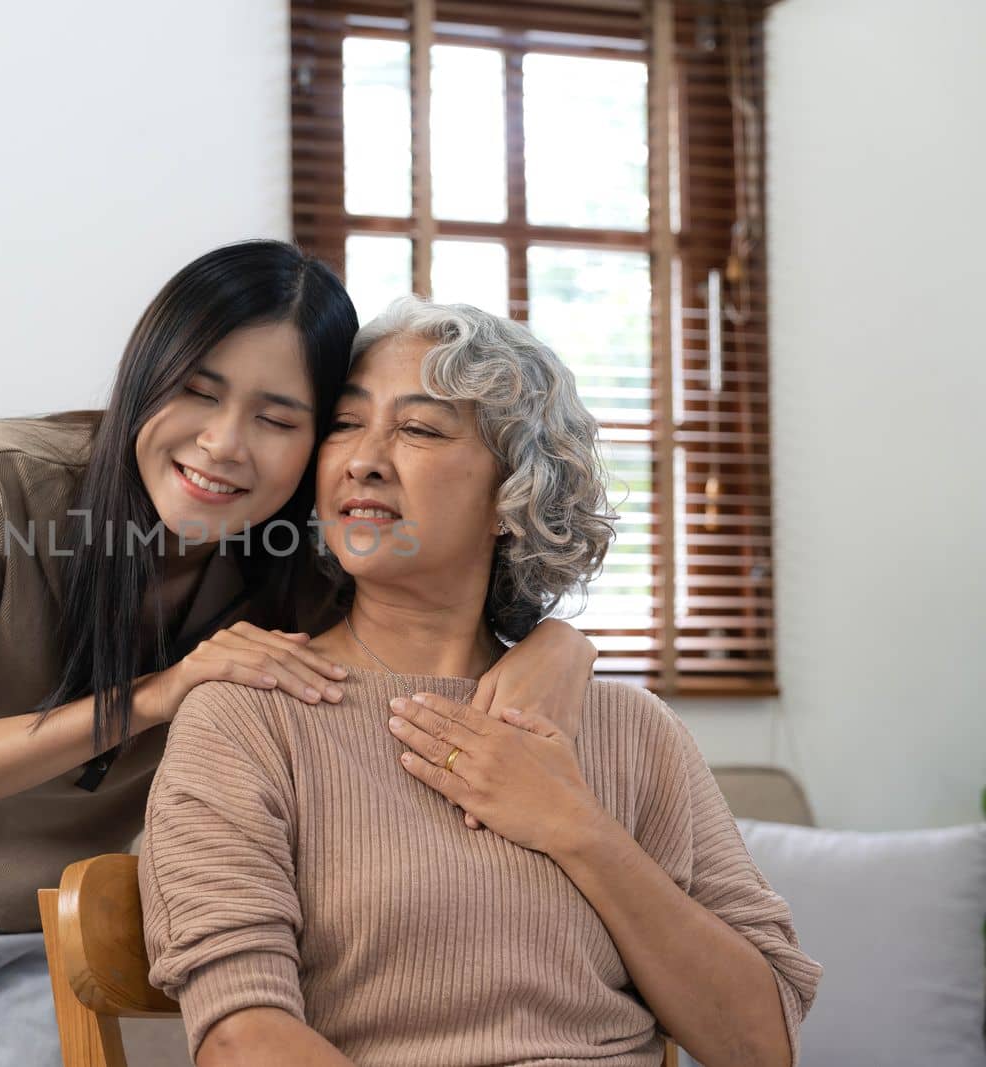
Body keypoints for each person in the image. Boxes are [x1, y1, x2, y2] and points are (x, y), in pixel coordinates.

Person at [0, 245, 601, 1067]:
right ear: (143, 376)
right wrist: (157, 695)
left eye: (277, 418)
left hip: (33, 919)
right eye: (198, 391)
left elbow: (449, 587)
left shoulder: (308, 563)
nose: (226, 444)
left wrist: (564, 642)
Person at [140, 296, 823, 1067]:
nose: (363, 457)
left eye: (419, 428)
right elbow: (240, 1038)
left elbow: (762, 1042)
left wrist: (576, 827)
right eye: (344, 424)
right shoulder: (248, 719)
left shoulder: (632, 730)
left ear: (514, 496)